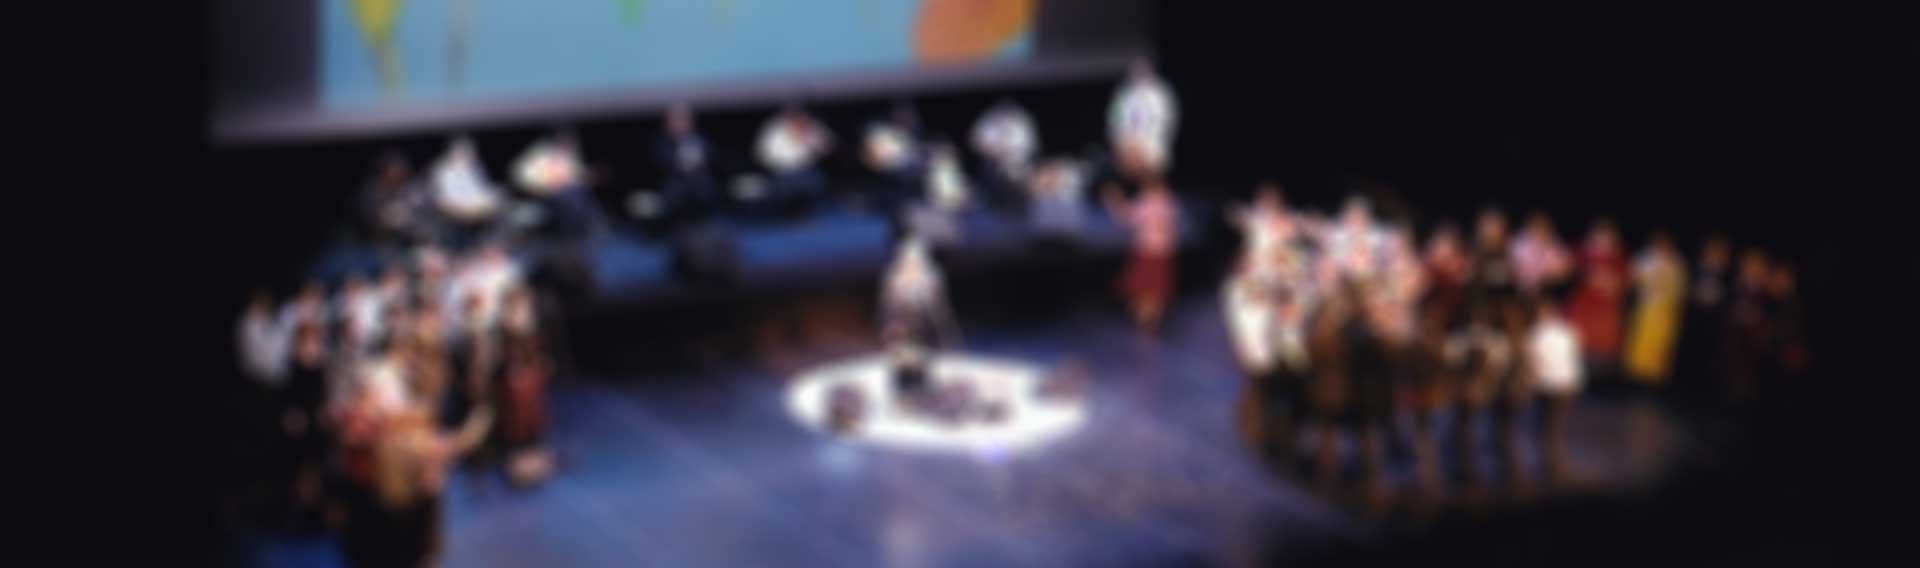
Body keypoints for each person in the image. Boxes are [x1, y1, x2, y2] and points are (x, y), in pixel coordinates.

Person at [1105, 180, 1180, 331]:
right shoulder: (1170, 203)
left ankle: (1146, 321)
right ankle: (1149, 321)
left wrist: (1113, 200)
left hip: (1147, 251)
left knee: (1144, 290)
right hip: (1163, 252)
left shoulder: (1148, 202)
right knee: (1154, 291)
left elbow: (1125, 217)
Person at [1528, 299, 1584, 485]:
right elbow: (1573, 358)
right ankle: (1553, 467)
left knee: (1547, 430)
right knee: (1555, 429)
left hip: (1548, 386)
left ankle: (1552, 469)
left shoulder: (1535, 334)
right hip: (1566, 386)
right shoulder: (1568, 331)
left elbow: (1534, 363)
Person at [1566, 220, 1628, 384]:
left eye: (1607, 235)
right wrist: (1588, 277)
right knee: (1580, 339)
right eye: (1600, 235)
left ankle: (1599, 379)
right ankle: (1577, 376)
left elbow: (1623, 283)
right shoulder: (1582, 252)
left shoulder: (1618, 258)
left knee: (1602, 342)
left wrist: (1611, 284)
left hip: (1605, 307)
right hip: (1584, 304)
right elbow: (1570, 271)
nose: (1603, 239)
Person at [1623, 232, 1687, 387]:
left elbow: (1680, 288)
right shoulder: (1644, 258)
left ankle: (1656, 378)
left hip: (1665, 309)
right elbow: (1633, 279)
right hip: (1646, 306)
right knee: (1640, 341)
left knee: (1661, 344)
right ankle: (1636, 376)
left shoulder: (1677, 261)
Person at [1676, 234, 1733, 401]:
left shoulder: (1727, 276)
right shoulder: (1695, 269)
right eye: (1713, 251)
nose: (1716, 256)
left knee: (1708, 357)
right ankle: (1683, 389)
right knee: (1689, 354)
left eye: (1720, 253)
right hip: (1694, 320)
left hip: (1713, 323)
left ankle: (1701, 392)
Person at [754, 104, 834, 219]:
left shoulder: (812, 127)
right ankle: (788, 214)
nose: (798, 120)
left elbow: (829, 146)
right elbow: (763, 156)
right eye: (793, 117)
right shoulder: (774, 130)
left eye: (801, 116)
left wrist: (811, 142)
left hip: (807, 170)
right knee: (783, 192)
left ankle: (809, 214)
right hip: (782, 172)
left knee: (817, 184)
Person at [650, 102, 720, 225]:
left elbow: (711, 156)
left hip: (700, 181)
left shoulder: (701, 139)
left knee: (709, 191)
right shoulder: (661, 143)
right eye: (675, 120)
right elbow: (662, 161)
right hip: (675, 183)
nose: (679, 124)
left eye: (683, 119)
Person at [1108, 59, 1178, 181]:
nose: (1139, 76)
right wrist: (1126, 143)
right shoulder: (1124, 94)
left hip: (1151, 144)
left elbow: (1163, 121)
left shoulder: (1160, 93)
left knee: (1153, 163)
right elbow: (1115, 120)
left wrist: (1143, 145)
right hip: (1128, 143)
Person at [432, 136, 506, 249]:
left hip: (479, 216)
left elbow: (482, 192)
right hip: (455, 219)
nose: (469, 155)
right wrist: (466, 210)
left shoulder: (476, 168)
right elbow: (443, 201)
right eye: (463, 152)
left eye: (470, 152)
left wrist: (487, 203)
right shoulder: (442, 171)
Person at [969, 99, 1038, 210]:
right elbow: (976, 142)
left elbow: (1030, 146)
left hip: (1019, 164)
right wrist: (996, 151)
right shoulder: (988, 123)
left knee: (1022, 177)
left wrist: (1013, 156)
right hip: (994, 164)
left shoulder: (1022, 123)